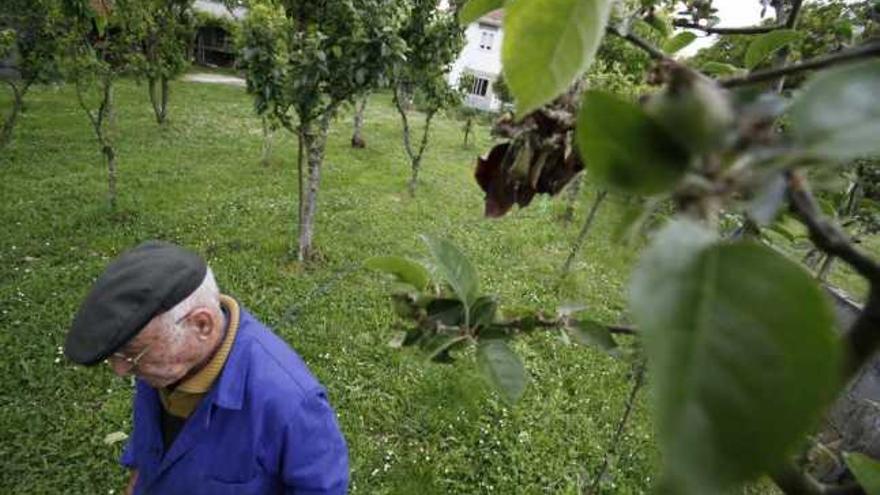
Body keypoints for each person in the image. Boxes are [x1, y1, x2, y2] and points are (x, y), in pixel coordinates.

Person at [64, 241, 349, 494]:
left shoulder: (291, 402)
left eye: (132, 355)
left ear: (202, 325)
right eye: (116, 354)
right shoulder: (160, 366)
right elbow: (147, 446)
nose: (121, 370)